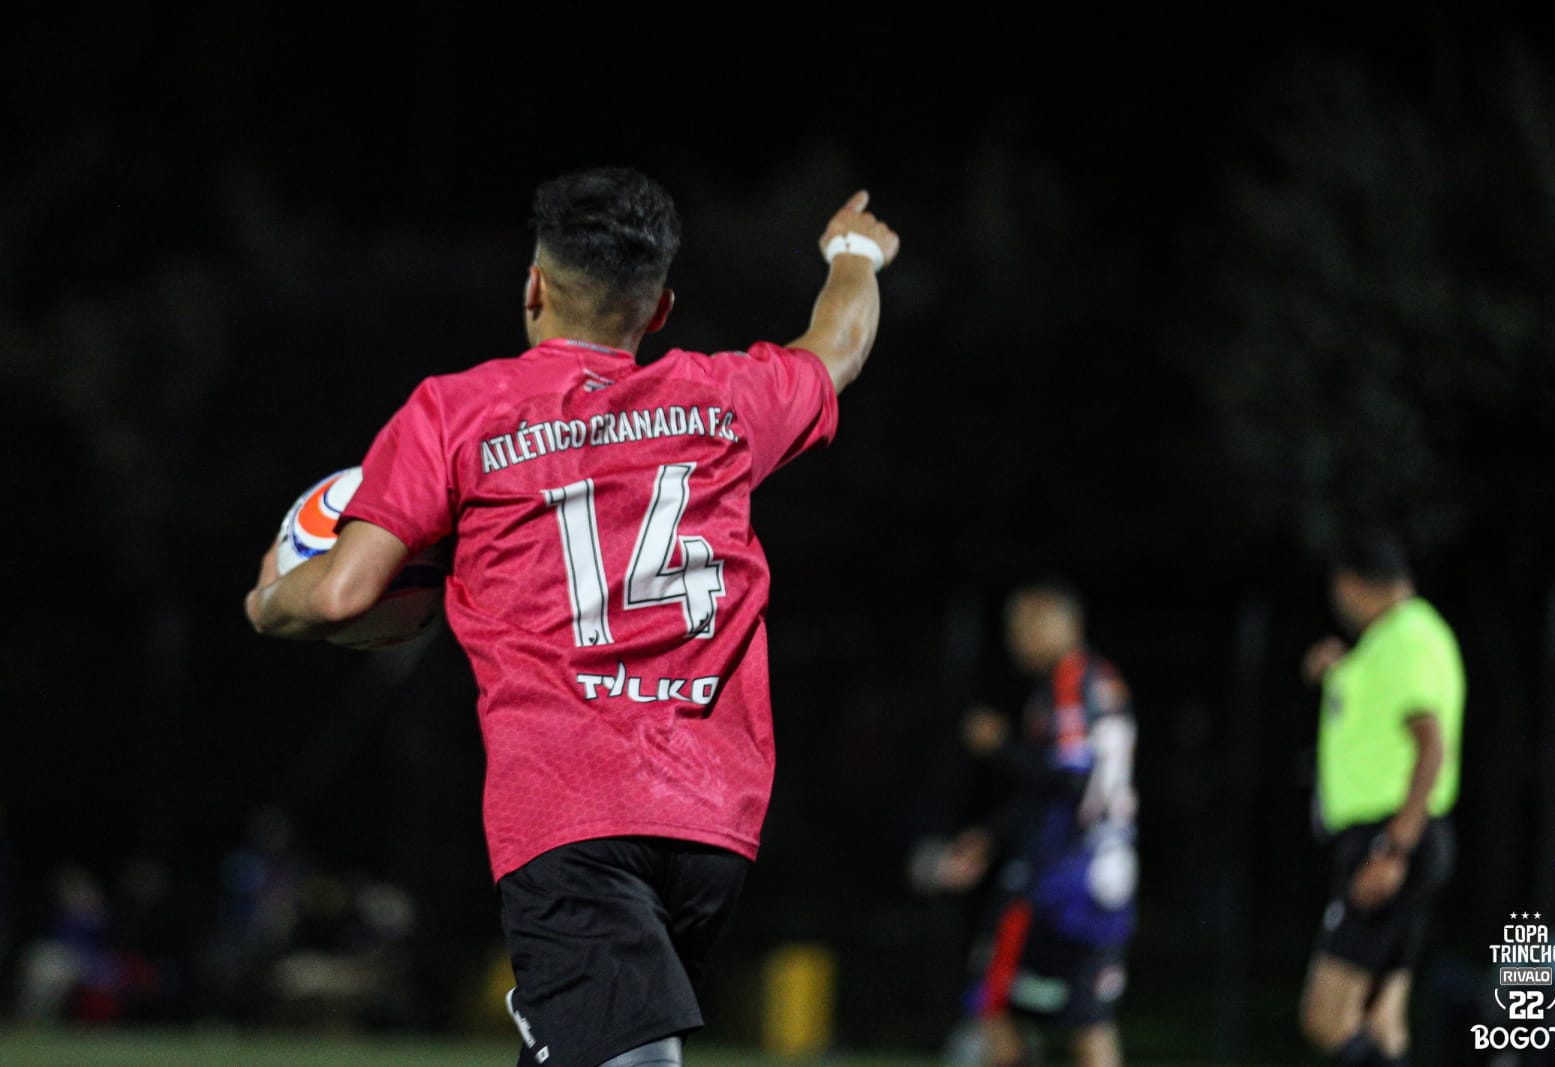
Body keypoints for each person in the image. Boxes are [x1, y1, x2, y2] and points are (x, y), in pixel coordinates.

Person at [245, 167, 898, 1067]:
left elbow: (345, 591)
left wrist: (269, 596)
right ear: (659, 306)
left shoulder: (454, 412)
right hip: (713, 824)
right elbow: (839, 345)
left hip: (571, 811)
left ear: (534, 285)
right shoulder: (723, 400)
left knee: (628, 1057)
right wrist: (854, 254)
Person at [920, 581, 1137, 1067]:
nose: (1015, 640)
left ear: (1056, 624)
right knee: (1088, 1021)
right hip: (1110, 869)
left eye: (1022, 626)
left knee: (992, 1003)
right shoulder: (1104, 679)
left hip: (1060, 874)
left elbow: (1069, 775)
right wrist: (993, 835)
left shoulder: (1068, 679)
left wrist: (998, 745)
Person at [1298, 533, 1464, 1066]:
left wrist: (1392, 849)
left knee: (1325, 1018)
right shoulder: (1393, 640)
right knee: (1382, 1020)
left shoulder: (1408, 638)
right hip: (1402, 840)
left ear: (1350, 586)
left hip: (1389, 840)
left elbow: (1431, 745)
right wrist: (1339, 670)